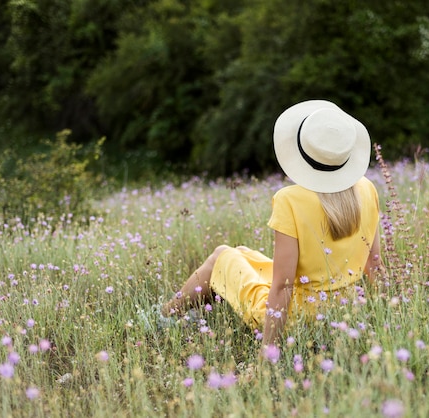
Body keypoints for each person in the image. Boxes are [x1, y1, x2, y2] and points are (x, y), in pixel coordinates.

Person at [160, 99, 382, 346]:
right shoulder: (367, 188)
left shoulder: (290, 199)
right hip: (344, 310)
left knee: (221, 255)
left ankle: (164, 316)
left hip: (297, 316)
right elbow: (375, 265)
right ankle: (197, 313)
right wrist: (383, 319)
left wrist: (270, 349)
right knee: (243, 254)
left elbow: (283, 287)